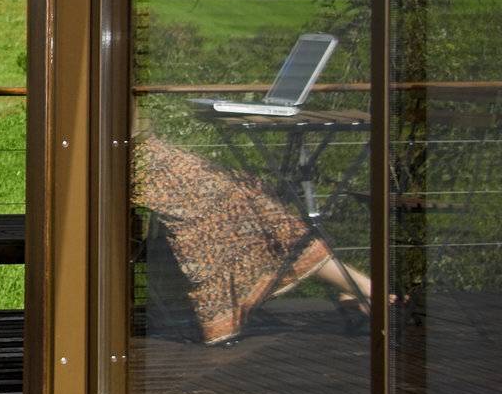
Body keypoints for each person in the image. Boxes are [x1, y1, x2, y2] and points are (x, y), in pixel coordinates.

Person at [133, 135, 386, 344]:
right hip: (129, 158)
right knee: (242, 208)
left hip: (138, 153)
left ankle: (360, 288)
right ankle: (362, 288)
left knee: (249, 201)